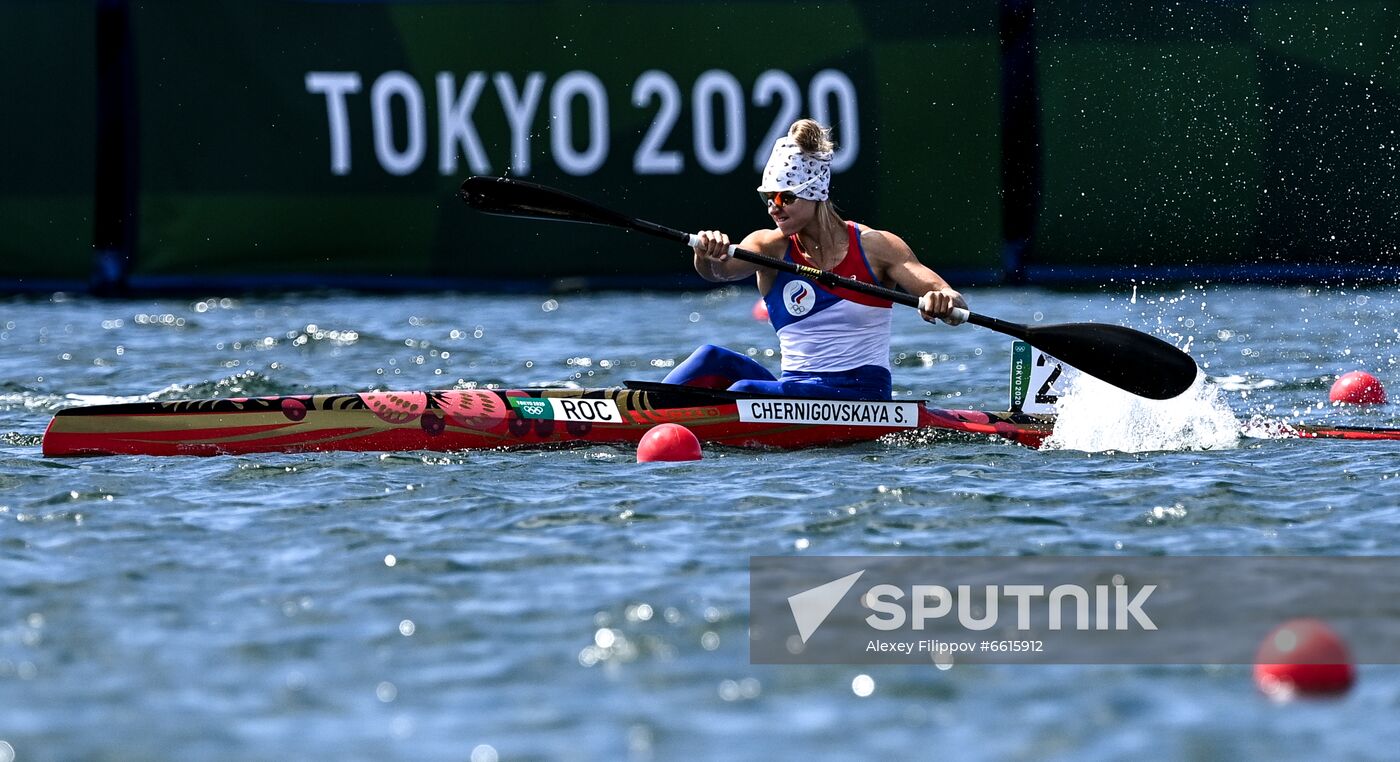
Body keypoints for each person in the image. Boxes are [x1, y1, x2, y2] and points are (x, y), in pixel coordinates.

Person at [662, 118, 968, 401]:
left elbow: (954, 302)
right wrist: (705, 254)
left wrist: (942, 300)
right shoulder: (769, 247)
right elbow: (717, 273)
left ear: (816, 192)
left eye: (785, 197)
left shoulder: (877, 246)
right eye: (768, 198)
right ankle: (639, 412)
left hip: (861, 395)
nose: (774, 208)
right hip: (796, 388)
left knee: (745, 391)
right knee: (710, 357)